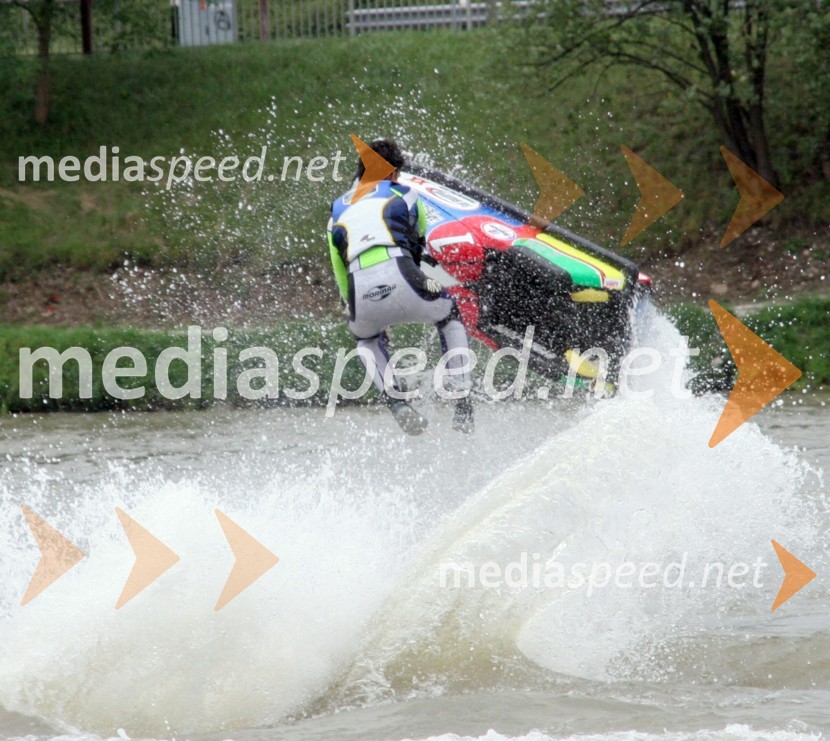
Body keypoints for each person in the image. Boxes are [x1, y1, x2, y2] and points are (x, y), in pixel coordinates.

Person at [326, 139, 474, 436]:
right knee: (449, 314)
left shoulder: (336, 212)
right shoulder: (406, 195)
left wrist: (354, 305)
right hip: (405, 276)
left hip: (360, 294)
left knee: (366, 340)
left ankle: (397, 403)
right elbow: (417, 248)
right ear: (394, 174)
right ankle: (462, 402)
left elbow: (340, 271)